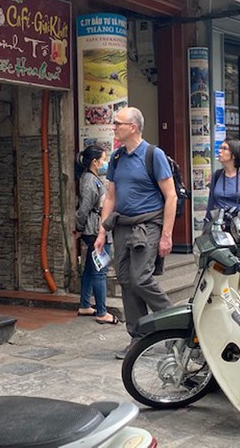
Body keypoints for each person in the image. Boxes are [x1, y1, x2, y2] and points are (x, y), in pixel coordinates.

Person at [94, 106, 175, 359]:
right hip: (121, 227)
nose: (113, 127)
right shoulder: (117, 157)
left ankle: (177, 326)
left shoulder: (154, 154)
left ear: (134, 127)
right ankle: (139, 337)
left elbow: (170, 196)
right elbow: (110, 197)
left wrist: (166, 235)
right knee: (127, 283)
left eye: (118, 123)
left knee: (141, 279)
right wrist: (101, 232)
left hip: (147, 226)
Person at [74, 145, 119, 325]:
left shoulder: (92, 178)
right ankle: (102, 311)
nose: (104, 162)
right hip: (94, 230)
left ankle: (85, 304)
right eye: (102, 159)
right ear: (94, 162)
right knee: (100, 271)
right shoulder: (89, 180)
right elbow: (84, 208)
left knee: (90, 269)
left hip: (94, 228)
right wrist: (78, 227)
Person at [204, 138, 240, 228]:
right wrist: (206, 224)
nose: (219, 151)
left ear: (234, 155)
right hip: (220, 223)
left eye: (224, 148)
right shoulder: (217, 175)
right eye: (220, 148)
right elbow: (211, 202)